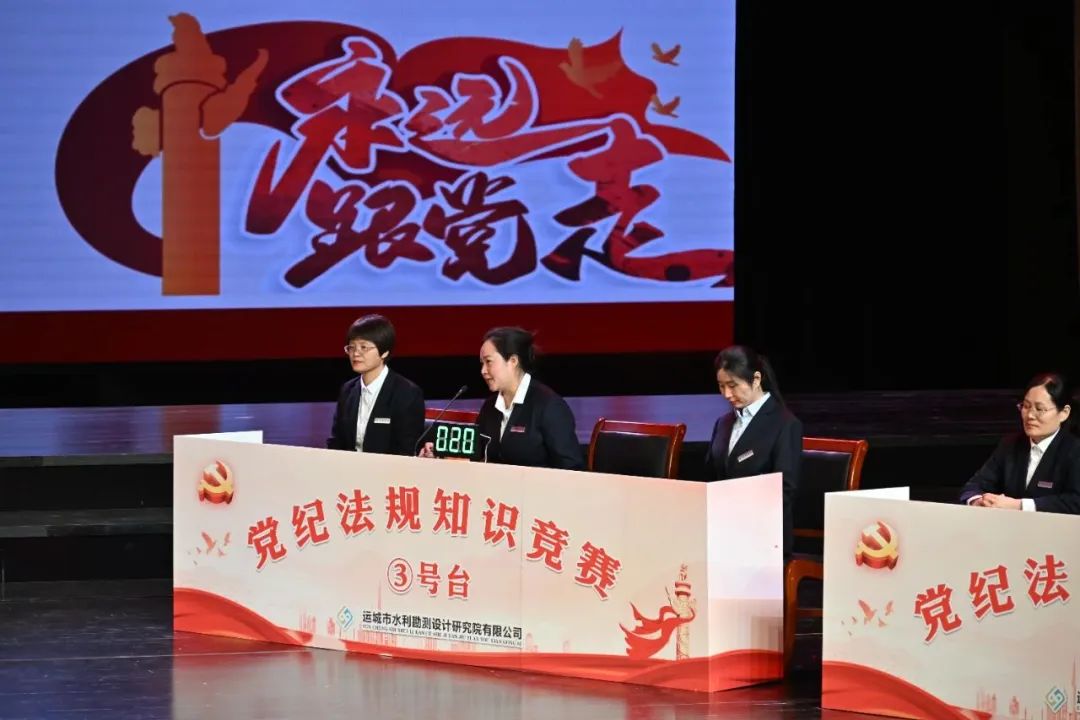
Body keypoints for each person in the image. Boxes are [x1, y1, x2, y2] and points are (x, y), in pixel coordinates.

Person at [703, 345, 802, 557]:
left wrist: (738, 520)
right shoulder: (723, 423)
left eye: (733, 386)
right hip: (722, 533)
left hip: (763, 539)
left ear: (756, 379)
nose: (727, 394)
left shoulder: (785, 424)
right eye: (721, 386)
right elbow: (710, 478)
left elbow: (784, 492)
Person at [959, 372, 1080, 514]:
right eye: (1026, 406)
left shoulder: (1074, 450)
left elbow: (1075, 501)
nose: (1030, 415)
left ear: (1064, 413)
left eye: (1040, 409)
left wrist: (1020, 505)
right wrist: (978, 501)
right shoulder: (1010, 445)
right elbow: (974, 486)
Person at [467, 327, 584, 469]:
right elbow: (476, 456)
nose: (483, 371)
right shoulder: (489, 407)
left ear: (513, 361)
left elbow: (572, 467)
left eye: (489, 362)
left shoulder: (549, 406)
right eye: (482, 363)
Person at [326, 314, 425, 455]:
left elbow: (406, 450)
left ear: (384, 352)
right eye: (352, 347)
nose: (355, 353)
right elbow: (336, 442)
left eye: (364, 347)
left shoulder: (407, 393)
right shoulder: (348, 390)